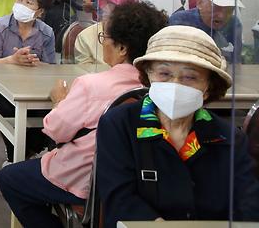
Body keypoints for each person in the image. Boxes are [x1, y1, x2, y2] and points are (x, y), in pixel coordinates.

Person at [0, 0, 167, 228]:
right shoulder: (160, 87)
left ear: (122, 48)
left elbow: (57, 131)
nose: (103, 43)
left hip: (86, 179)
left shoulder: (92, 86)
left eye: (104, 38)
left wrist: (59, 101)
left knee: (10, 179)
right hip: (141, 181)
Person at [96, 25, 259, 226]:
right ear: (149, 76)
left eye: (190, 77)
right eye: (164, 74)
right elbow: (119, 198)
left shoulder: (228, 138)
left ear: (208, 87)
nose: (175, 84)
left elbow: (248, 205)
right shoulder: (119, 125)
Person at [0, 0, 56, 161]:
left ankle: (28, 155)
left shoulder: (46, 33)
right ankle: (17, 156)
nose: (22, 4)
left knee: (48, 110)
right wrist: (12, 60)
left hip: (32, 88)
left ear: (40, 12)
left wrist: (37, 64)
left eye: (29, 2)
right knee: (11, 110)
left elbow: (51, 68)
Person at [168, 0, 243, 63]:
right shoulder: (181, 21)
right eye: (215, 7)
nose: (222, 16)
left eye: (229, 10)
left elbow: (236, 62)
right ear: (199, 3)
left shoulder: (233, 24)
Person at [73, 0, 137, 65]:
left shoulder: (137, 37)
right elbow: (83, 71)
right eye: (109, 5)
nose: (106, 9)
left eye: (116, 9)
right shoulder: (85, 37)